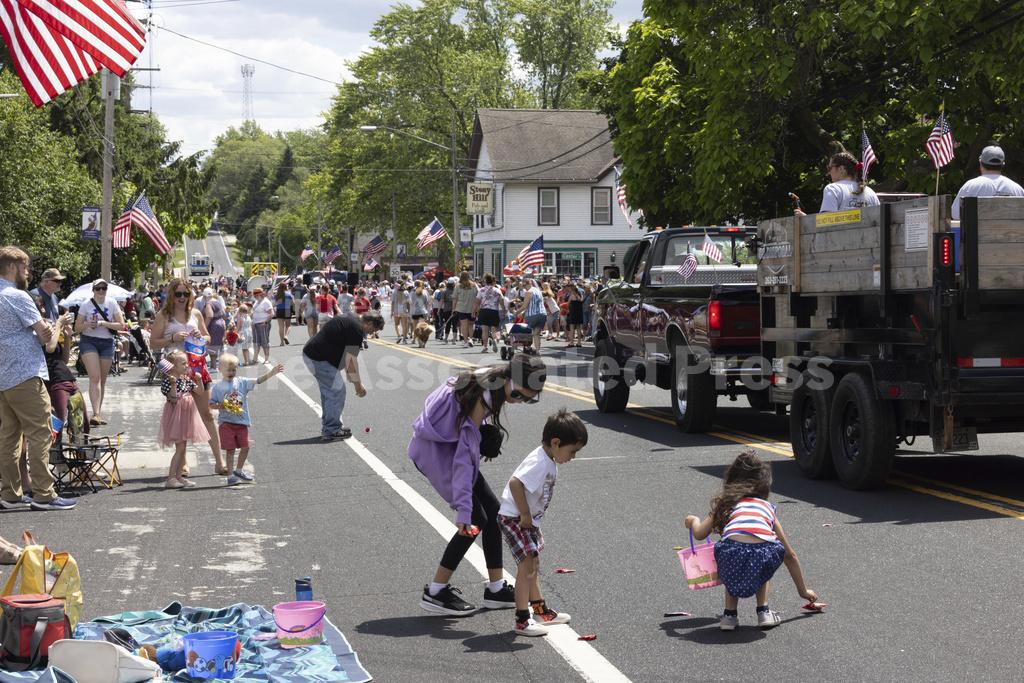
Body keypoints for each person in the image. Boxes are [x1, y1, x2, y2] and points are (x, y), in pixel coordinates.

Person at [410, 355, 548, 617]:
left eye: (528, 399)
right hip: (434, 454)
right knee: (473, 520)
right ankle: (436, 592)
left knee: (494, 515)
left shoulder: (492, 378)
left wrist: (483, 429)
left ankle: (495, 589)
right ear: (509, 379)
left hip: (446, 448)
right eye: (518, 394)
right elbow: (463, 460)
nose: (518, 401)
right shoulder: (479, 399)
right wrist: (463, 510)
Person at [685, 449, 819, 631]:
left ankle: (729, 616)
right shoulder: (767, 508)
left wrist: (693, 521)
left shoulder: (727, 503)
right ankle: (763, 612)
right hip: (761, 555)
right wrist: (803, 591)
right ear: (765, 485)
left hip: (730, 554)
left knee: (733, 557)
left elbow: (700, 533)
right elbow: (790, 556)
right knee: (763, 555)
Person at [498, 408, 586, 636]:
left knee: (533, 566)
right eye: (572, 451)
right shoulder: (540, 463)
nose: (573, 457)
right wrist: (525, 514)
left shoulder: (548, 459)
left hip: (527, 520)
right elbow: (516, 483)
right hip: (516, 518)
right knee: (527, 567)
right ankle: (522, 620)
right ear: (556, 443)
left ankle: (540, 611)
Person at [0, 247, 75, 511]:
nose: (28, 273)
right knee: (40, 432)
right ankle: (44, 493)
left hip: (3, 376)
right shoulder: (16, 295)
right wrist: (56, 325)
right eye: (26, 267)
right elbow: (46, 338)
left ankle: (9, 493)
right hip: (24, 373)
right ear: (13, 267)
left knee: (9, 437)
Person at [151, 278, 226, 474]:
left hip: (197, 367)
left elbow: (207, 336)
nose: (182, 298)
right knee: (181, 416)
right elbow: (153, 343)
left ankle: (219, 461)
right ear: (171, 295)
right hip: (177, 371)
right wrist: (172, 338)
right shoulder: (164, 316)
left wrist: (201, 337)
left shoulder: (196, 313)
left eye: (186, 294)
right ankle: (183, 463)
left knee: (207, 414)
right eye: (178, 294)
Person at [302, 311, 384, 442]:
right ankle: (332, 429)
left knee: (329, 392)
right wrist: (358, 386)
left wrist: (352, 377)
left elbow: (347, 358)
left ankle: (330, 426)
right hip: (319, 358)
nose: (369, 334)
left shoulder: (352, 317)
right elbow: (351, 361)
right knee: (336, 391)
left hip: (313, 353)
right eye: (371, 330)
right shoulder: (356, 330)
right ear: (368, 323)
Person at [210, 353, 283, 486]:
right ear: (220, 369)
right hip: (226, 423)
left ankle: (239, 470)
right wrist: (221, 405)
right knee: (230, 450)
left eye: (234, 369)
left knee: (246, 446)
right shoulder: (217, 387)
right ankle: (231, 475)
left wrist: (271, 373)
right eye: (228, 370)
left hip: (241, 422)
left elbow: (258, 380)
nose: (232, 372)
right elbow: (211, 404)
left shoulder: (241, 382)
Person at [74, 278, 126, 426]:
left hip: (107, 342)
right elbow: (77, 327)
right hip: (89, 341)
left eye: (104, 288)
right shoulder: (86, 304)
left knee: (102, 379)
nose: (101, 291)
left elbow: (121, 325)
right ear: (93, 290)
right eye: (98, 288)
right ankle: (95, 413)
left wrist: (103, 323)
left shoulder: (112, 303)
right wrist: (87, 324)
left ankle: (98, 412)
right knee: (95, 378)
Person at [158, 350, 210, 489]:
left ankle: (179, 476)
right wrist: (174, 385)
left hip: (186, 415)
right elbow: (173, 399)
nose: (187, 365)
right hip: (177, 417)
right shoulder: (168, 382)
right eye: (183, 363)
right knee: (180, 448)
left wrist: (199, 380)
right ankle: (171, 478)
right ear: (173, 366)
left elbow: (199, 392)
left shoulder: (186, 379)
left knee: (183, 448)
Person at [951, 145, 1024, 220]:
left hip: (977, 232)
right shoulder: (1017, 189)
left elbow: (955, 214)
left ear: (980, 162)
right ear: (1003, 164)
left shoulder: (970, 186)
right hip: (1011, 232)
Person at [795, 151, 879, 216]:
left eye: (830, 168)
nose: (828, 173)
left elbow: (825, 223)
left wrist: (805, 219)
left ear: (842, 169)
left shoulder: (833, 189)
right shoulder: (871, 192)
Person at [475, 273, 503, 353]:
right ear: (493, 281)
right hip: (494, 311)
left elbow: (477, 301)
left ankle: (485, 347)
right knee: (494, 329)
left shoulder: (481, 290)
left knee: (484, 330)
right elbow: (501, 301)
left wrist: (475, 311)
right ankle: (494, 339)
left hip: (484, 311)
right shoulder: (497, 290)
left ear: (485, 281)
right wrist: (504, 310)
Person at [517, 278, 546, 352]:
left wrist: (516, 312)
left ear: (524, 285)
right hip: (542, 314)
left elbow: (524, 306)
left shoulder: (528, 292)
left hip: (532, 315)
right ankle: (537, 351)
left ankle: (527, 348)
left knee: (527, 332)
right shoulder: (538, 290)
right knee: (536, 334)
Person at [452, 272, 478, 348]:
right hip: (472, 308)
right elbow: (478, 296)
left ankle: (466, 341)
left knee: (464, 325)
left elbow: (455, 298)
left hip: (461, 308)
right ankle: (471, 339)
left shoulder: (458, 286)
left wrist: (453, 308)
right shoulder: (474, 285)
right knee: (471, 324)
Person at [250, 286, 274, 365]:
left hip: (263, 324)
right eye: (255, 295)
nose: (255, 297)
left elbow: (271, 313)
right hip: (256, 324)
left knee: (264, 342)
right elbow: (254, 312)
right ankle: (255, 358)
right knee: (256, 342)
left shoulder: (266, 302)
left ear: (260, 294)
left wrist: (266, 322)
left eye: (256, 295)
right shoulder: (257, 302)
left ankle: (266, 358)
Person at [205, 288, 227, 370]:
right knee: (218, 345)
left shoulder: (208, 303)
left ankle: (214, 366)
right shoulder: (218, 302)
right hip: (221, 323)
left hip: (214, 325)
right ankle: (217, 365)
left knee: (212, 345)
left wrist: (203, 326)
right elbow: (224, 314)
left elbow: (209, 316)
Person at [274, 282, 293, 346]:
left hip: (279, 310)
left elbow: (274, 304)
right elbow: (292, 303)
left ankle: (282, 342)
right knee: (288, 325)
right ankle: (286, 336)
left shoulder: (277, 295)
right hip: (287, 309)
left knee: (281, 327)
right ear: (286, 287)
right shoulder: (288, 294)